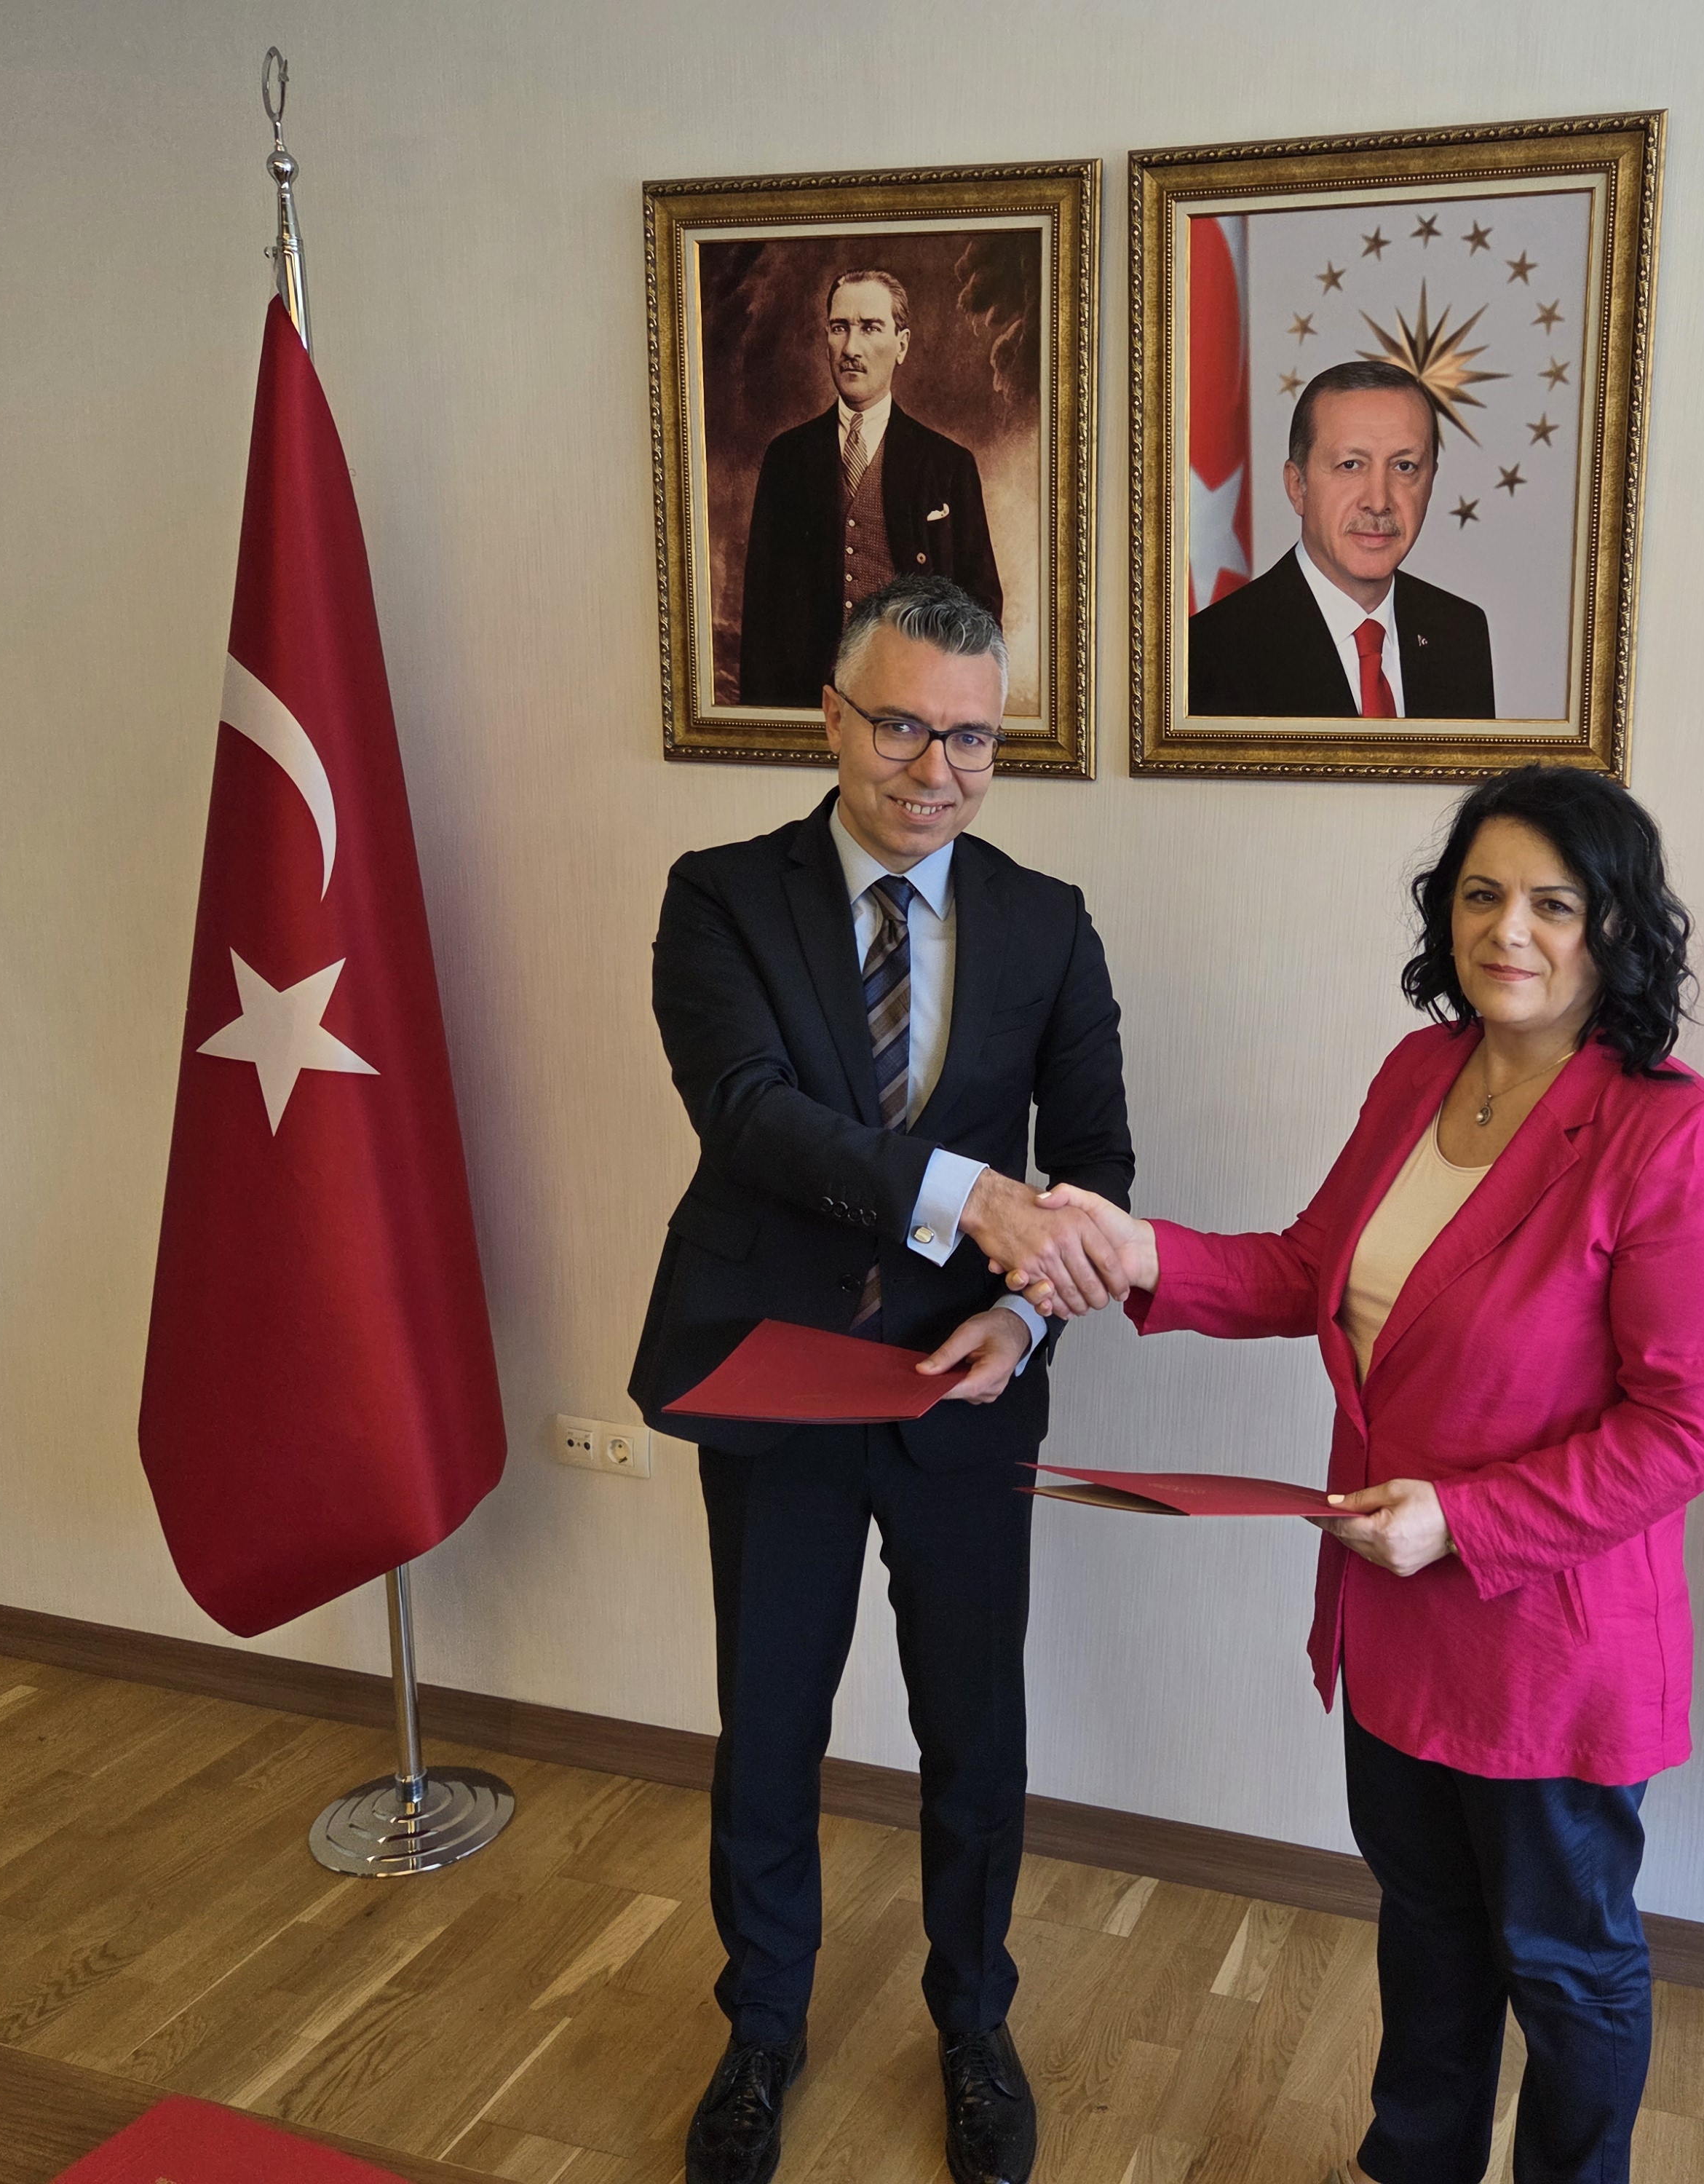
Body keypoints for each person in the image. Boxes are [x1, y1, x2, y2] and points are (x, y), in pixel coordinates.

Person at [1020, 767, 1704, 2184]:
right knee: (1425, 1926)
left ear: (1615, 927)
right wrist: (1139, 1250)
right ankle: (1414, 2163)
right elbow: (1313, 1270)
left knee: (1563, 1961)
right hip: (1391, 1605)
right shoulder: (1420, 1075)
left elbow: (1690, 1428)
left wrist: (1464, 1519)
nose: (1508, 930)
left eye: (1553, 903)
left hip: (1545, 1636)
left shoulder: (1672, 1135)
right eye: (1481, 895)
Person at [630, 574, 1133, 2184]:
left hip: (962, 1395)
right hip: (777, 1377)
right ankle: (761, 2030)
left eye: (973, 738)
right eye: (904, 726)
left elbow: (1097, 1165)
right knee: (770, 1721)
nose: (937, 770)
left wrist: (1027, 1319)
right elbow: (748, 1113)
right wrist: (966, 1199)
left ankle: (972, 2026)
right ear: (832, 718)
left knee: (973, 1733)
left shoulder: (1046, 921)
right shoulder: (720, 897)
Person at [735, 269, 1006, 708]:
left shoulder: (948, 465)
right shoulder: (786, 459)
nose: (851, 348)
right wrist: (763, 725)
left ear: (902, 345)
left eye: (870, 328)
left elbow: (982, 607)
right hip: (806, 705)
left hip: (913, 707)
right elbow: (760, 614)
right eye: (839, 327)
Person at [1186, 357, 1496, 719]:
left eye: (1404, 466)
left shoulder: (1460, 633)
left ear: (1430, 482)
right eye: (1351, 465)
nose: (1378, 502)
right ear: (1297, 486)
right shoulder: (1211, 653)